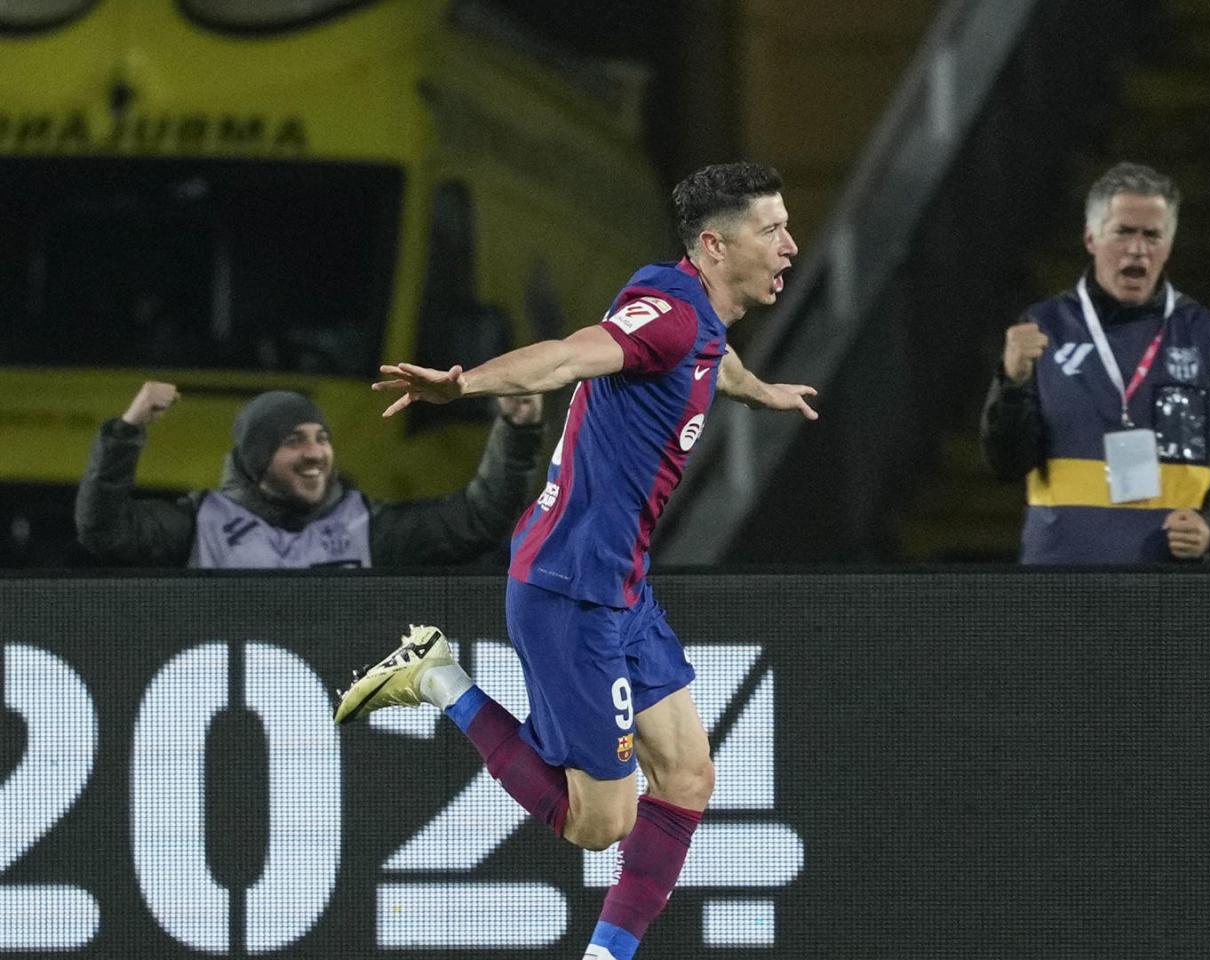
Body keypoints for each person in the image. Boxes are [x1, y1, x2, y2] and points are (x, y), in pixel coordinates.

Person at [332, 162, 817, 960]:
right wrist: (465, 386)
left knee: (690, 778)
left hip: (619, 584)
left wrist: (757, 391)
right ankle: (435, 676)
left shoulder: (688, 303)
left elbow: (710, 355)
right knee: (601, 825)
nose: (790, 244)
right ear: (715, 245)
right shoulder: (665, 318)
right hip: (569, 586)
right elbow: (564, 359)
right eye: (772, 231)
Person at [981, 161, 1210, 563]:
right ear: (1091, 238)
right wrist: (1012, 382)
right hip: (1062, 582)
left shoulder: (1206, 335)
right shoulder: (1043, 329)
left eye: (1152, 235)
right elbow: (1006, 464)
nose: (1137, 249)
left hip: (1170, 583)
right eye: (1124, 232)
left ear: (1169, 245)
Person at [75, 382, 543, 567]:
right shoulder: (202, 524)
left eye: (321, 437)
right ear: (258, 459)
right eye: (293, 440)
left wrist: (517, 428)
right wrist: (127, 429)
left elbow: (482, 521)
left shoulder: (366, 525)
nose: (315, 452)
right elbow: (105, 530)